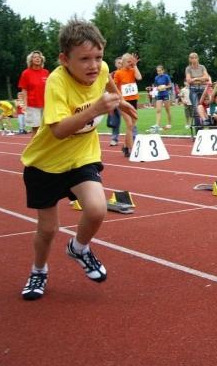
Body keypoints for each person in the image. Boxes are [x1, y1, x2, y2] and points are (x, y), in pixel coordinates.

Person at [19, 19, 137, 301]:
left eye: (97, 57)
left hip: (82, 157)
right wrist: (95, 108)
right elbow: (59, 130)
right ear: (64, 59)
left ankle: (79, 248)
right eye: (84, 59)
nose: (93, 65)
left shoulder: (103, 69)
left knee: (97, 209)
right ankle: (39, 270)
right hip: (45, 163)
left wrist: (118, 101)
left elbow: (108, 85)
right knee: (48, 230)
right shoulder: (57, 82)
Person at [113, 53, 142, 157]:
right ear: (123, 62)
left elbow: (139, 77)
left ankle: (125, 146)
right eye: (129, 62)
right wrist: (118, 100)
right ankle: (131, 148)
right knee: (129, 124)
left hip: (133, 100)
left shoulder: (133, 70)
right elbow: (114, 88)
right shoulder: (118, 73)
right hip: (123, 101)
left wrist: (135, 65)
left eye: (132, 61)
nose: (131, 63)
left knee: (132, 124)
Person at [17, 50, 49, 135]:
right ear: (31, 60)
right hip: (32, 105)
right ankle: (35, 148)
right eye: (35, 57)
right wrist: (24, 104)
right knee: (36, 129)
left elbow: (49, 88)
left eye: (39, 57)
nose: (37, 59)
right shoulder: (26, 73)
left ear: (42, 59)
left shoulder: (46, 72)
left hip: (45, 105)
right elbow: (24, 90)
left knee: (46, 128)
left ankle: (44, 147)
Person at [185, 52, 212, 125]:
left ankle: (210, 124)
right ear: (189, 59)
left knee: (206, 106)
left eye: (195, 57)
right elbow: (189, 80)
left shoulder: (202, 67)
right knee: (196, 108)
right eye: (192, 58)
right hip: (193, 89)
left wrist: (195, 78)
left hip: (203, 88)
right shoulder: (188, 68)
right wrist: (201, 79)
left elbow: (206, 78)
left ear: (198, 58)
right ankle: (199, 128)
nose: (194, 59)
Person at [150, 65, 173, 132]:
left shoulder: (166, 76)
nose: (159, 72)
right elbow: (156, 86)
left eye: (160, 71)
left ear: (163, 70)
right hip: (159, 95)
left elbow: (170, 85)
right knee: (158, 110)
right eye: (157, 71)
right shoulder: (156, 77)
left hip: (165, 94)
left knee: (167, 110)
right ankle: (157, 124)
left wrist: (164, 87)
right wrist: (157, 88)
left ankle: (169, 124)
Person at [107, 57, 122, 146]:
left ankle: (134, 137)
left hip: (127, 99)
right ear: (115, 64)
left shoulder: (128, 72)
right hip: (116, 100)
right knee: (115, 119)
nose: (120, 64)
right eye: (119, 63)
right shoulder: (111, 75)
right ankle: (114, 138)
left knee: (131, 119)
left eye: (121, 62)